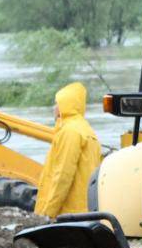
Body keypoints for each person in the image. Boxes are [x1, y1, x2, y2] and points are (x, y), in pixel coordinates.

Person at [34, 82, 102, 217]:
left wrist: (48, 213)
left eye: (56, 103)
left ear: (64, 106)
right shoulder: (85, 129)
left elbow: (62, 175)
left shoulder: (70, 132)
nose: (54, 108)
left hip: (70, 212)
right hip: (86, 209)